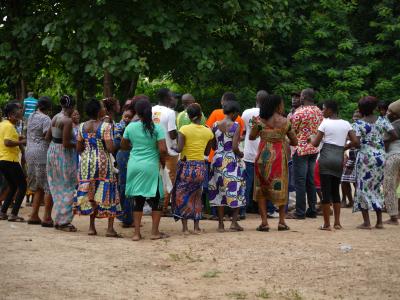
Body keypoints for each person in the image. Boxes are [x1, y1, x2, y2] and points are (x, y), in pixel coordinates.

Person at [121, 98, 168, 241]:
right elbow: (162, 149)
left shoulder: (130, 127)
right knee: (156, 198)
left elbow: (123, 146)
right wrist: (162, 162)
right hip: (151, 166)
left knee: (138, 199)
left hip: (134, 165)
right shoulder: (157, 128)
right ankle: (154, 232)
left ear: (136, 112)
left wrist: (135, 148)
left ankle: (136, 233)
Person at [250, 95, 297, 231]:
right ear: (277, 106)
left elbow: (252, 137)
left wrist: (260, 131)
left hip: (262, 158)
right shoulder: (285, 122)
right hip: (279, 158)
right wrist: (281, 138)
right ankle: (282, 221)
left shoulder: (259, 121)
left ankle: (264, 222)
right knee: (281, 187)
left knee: (262, 188)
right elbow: (295, 142)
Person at [74, 99, 121, 237]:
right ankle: (110, 229)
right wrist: (119, 142)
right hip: (102, 161)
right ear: (98, 111)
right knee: (108, 190)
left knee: (91, 192)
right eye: (102, 107)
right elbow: (110, 148)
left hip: (86, 162)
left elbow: (78, 147)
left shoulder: (82, 126)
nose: (104, 109)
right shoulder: (105, 126)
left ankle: (91, 227)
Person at [310, 100, 358, 230]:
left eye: (324, 109)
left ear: (330, 110)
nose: (322, 111)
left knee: (326, 192)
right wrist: (344, 147)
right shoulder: (346, 123)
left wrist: (310, 138)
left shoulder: (325, 123)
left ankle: (326, 224)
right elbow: (355, 141)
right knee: (335, 191)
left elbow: (315, 143)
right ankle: (337, 223)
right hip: (338, 158)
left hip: (325, 158)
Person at [353, 96, 397, 229]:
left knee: (363, 187)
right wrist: (381, 142)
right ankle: (379, 222)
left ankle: (367, 222)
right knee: (377, 187)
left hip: (365, 157)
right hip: (380, 157)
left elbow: (357, 142)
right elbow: (394, 135)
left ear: (361, 109)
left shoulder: (359, 124)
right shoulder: (382, 120)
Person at [172, 103, 213, 234]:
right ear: (201, 116)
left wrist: (171, 147)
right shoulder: (208, 131)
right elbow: (207, 152)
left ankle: (185, 228)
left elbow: (179, 148)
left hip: (186, 166)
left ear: (189, 117)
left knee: (183, 195)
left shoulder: (184, 129)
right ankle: (196, 227)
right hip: (200, 167)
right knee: (197, 196)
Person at [208, 101, 246, 232]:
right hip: (231, 161)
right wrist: (240, 154)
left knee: (219, 191)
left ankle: (220, 224)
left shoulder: (214, 125)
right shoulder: (235, 126)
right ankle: (234, 223)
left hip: (217, 159)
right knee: (235, 190)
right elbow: (235, 147)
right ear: (234, 113)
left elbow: (213, 145)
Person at [287, 88, 323, 219]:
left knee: (300, 181)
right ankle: (312, 210)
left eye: (301, 96)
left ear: (304, 97)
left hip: (300, 149)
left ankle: (300, 211)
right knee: (310, 180)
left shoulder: (299, 112)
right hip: (314, 149)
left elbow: (291, 130)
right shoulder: (319, 111)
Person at [241, 90, 277, 218]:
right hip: (265, 153)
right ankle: (270, 209)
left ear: (256, 99)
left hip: (249, 153)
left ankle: (242, 210)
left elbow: (244, 132)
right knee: (266, 182)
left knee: (248, 182)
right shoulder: (271, 114)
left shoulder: (246, 113)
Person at [46, 95, 77, 231]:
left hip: (52, 151)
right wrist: (78, 144)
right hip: (63, 155)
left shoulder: (55, 117)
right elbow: (66, 143)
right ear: (72, 106)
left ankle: (59, 219)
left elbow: (47, 137)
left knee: (56, 186)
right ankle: (63, 222)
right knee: (67, 187)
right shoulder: (67, 121)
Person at [25, 96, 53, 226]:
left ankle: (34, 215)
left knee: (37, 185)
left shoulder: (31, 116)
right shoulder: (46, 118)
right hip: (41, 152)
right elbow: (47, 136)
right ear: (48, 108)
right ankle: (47, 217)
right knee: (47, 186)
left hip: (29, 151)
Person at [115, 97, 142, 227]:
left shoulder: (130, 122)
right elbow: (120, 143)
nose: (127, 119)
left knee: (127, 185)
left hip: (126, 155)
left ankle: (126, 216)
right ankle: (126, 217)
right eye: (125, 116)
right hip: (125, 155)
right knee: (126, 186)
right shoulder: (124, 125)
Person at [152, 88, 178, 213]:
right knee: (168, 179)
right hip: (169, 151)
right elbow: (172, 134)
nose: (174, 99)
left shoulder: (151, 110)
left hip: (154, 150)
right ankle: (163, 208)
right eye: (172, 96)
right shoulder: (170, 112)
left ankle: (155, 206)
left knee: (156, 178)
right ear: (167, 98)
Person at [0, 102, 27, 222]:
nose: (19, 115)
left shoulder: (3, 124)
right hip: (9, 159)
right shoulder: (9, 126)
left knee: (13, 186)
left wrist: (18, 139)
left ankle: (3, 212)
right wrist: (21, 142)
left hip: (3, 159)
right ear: (11, 115)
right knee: (22, 185)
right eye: (17, 114)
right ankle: (14, 213)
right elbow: (7, 142)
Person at [383, 99, 400, 225]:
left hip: (394, 156)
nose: (387, 113)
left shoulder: (394, 125)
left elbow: (386, 143)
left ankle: (393, 217)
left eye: (390, 111)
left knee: (389, 185)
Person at [340, 110, 362, 208]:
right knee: (344, 180)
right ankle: (349, 200)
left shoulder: (363, 127)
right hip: (349, 156)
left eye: (358, 117)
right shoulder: (351, 127)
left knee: (356, 181)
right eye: (354, 116)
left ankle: (357, 201)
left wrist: (346, 147)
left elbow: (357, 142)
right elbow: (345, 139)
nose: (356, 118)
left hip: (359, 157)